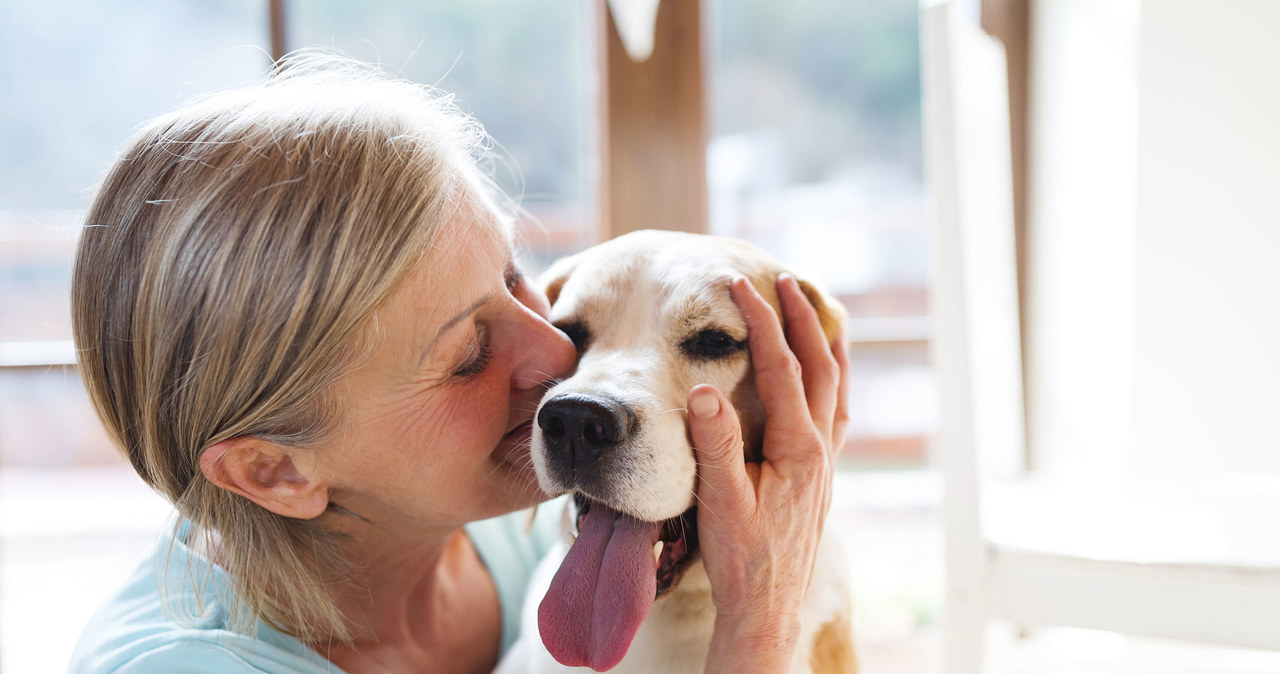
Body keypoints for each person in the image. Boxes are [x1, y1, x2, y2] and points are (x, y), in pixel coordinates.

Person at [67, 53, 849, 673]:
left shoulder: (514, 532)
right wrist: (758, 634)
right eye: (468, 355)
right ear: (276, 472)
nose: (558, 359)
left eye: (517, 282)